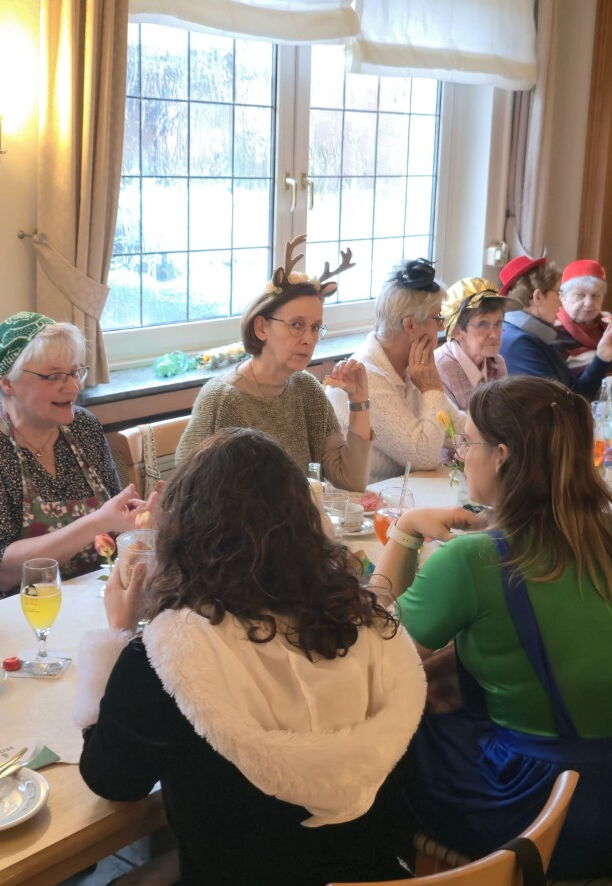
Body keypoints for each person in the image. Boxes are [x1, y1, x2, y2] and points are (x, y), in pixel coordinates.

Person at [75, 427, 426, 886]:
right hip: (375, 872)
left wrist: (117, 635)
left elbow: (112, 782)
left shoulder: (171, 655)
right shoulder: (366, 624)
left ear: (182, 535)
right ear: (307, 523)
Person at [374, 375, 612, 879]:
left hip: (540, 806)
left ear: (501, 456)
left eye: (468, 442)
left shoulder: (476, 559)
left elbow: (374, 655)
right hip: (601, 789)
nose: (462, 454)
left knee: (386, 735)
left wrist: (406, 529)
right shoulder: (602, 534)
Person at [176, 235, 372, 491]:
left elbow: (351, 480)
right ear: (261, 328)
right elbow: (185, 489)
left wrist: (359, 401)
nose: (308, 339)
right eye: (297, 325)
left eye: (315, 327)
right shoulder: (222, 399)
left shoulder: (307, 389)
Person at [0, 312, 151, 596]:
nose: (73, 387)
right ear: (8, 382)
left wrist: (144, 520)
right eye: (53, 376)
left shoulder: (83, 426)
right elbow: (3, 573)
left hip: (94, 595)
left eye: (74, 372)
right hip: (25, 609)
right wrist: (97, 522)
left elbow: (117, 521)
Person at [327, 258, 464, 483]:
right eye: (438, 319)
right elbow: (424, 456)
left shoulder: (411, 369)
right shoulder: (365, 377)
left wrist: (479, 443)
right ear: (410, 325)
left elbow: (459, 433)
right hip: (363, 501)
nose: (441, 328)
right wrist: (431, 389)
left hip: (402, 495)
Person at [499, 255, 612, 397]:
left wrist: (602, 356)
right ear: (538, 297)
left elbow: (576, 391)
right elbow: (559, 401)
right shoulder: (519, 343)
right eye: (558, 293)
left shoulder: (537, 334)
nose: (560, 303)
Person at [434, 277, 508, 411]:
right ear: (456, 331)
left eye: (498, 323)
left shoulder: (497, 363)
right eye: (483, 324)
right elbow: (449, 424)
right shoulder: (439, 369)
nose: (494, 334)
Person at [554, 258, 611, 376]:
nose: (588, 303)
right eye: (580, 295)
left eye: (595, 295)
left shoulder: (608, 325)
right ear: (562, 297)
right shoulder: (553, 333)